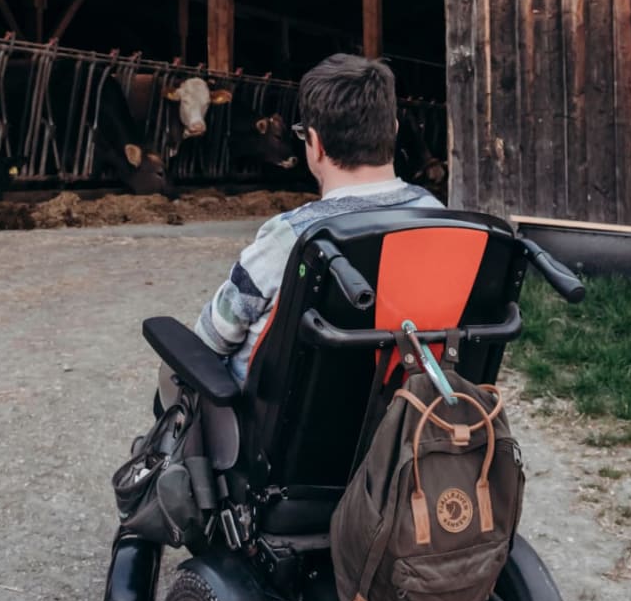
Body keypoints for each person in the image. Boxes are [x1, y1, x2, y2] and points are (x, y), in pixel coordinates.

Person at [191, 53, 445, 384]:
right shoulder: (440, 219)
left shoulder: (290, 236)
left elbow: (212, 339)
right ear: (394, 130)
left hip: (277, 413)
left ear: (316, 144)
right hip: (408, 406)